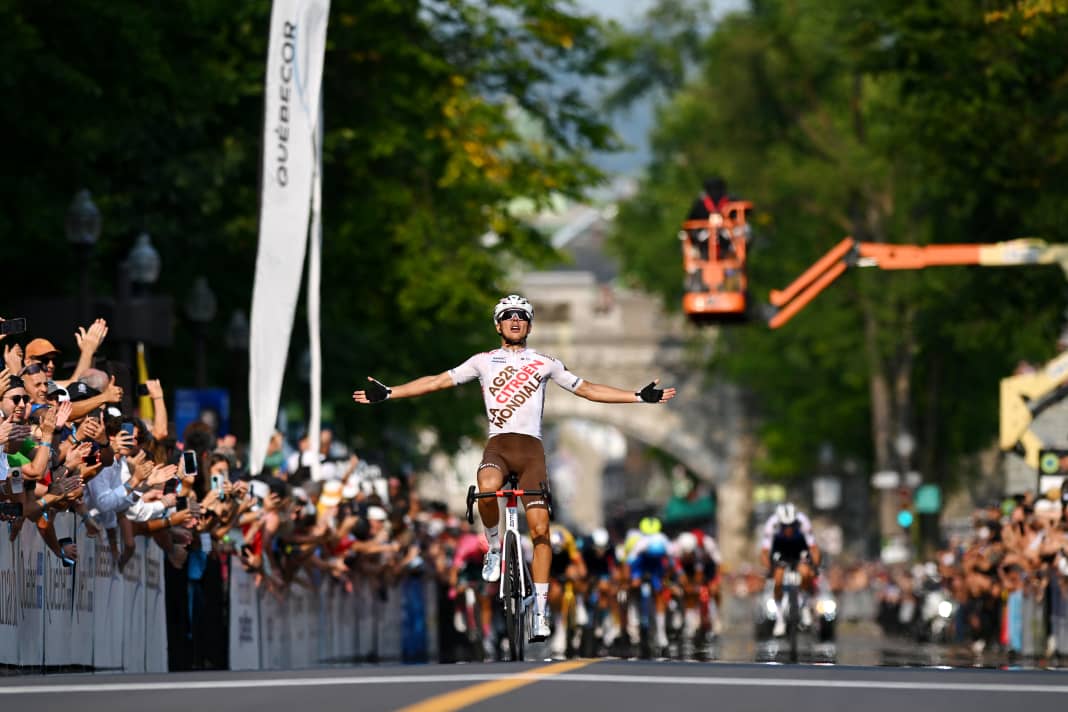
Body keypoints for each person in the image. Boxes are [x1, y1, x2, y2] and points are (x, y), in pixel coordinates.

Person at [352, 294, 677, 640]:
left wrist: (636, 396)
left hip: (531, 451)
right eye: (508, 316)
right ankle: (494, 548)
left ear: (530, 325)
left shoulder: (545, 362)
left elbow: (587, 389)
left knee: (540, 531)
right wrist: (391, 392)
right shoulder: (482, 361)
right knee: (486, 488)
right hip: (499, 445)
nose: (515, 321)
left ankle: (540, 610)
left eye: (522, 316)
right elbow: (436, 381)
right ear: (498, 325)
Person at [760, 502, 822, 637]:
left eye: (791, 525)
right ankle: (780, 620)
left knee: (805, 573)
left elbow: (813, 548)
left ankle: (805, 606)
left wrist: (814, 567)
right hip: (780, 548)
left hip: (799, 547)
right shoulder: (771, 525)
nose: (788, 528)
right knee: (777, 579)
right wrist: (769, 569)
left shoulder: (803, 522)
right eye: (785, 526)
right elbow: (764, 552)